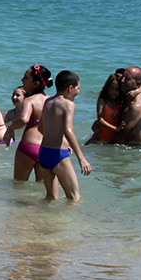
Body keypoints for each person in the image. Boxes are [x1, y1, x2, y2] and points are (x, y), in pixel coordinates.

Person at [37, 70, 93, 202]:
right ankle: (68, 223)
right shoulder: (68, 104)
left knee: (51, 197)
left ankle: (42, 221)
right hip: (58, 155)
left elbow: (40, 128)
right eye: (78, 88)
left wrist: (59, 142)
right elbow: (68, 131)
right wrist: (82, 158)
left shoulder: (48, 102)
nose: (79, 92)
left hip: (44, 153)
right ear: (70, 88)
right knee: (74, 198)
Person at [8, 64, 52, 180]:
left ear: (36, 84)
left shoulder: (30, 100)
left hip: (29, 146)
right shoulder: (51, 101)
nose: (22, 80)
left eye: (26, 77)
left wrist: (10, 129)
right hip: (46, 147)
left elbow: (23, 119)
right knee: (42, 186)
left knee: (19, 183)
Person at [115, 67, 141, 144]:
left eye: (127, 78)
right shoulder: (128, 94)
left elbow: (121, 137)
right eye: (123, 76)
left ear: (137, 84)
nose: (122, 80)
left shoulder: (135, 106)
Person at [87, 70, 125, 143]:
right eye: (112, 88)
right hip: (99, 137)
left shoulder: (120, 101)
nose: (114, 92)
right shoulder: (103, 101)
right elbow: (100, 120)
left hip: (112, 139)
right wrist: (116, 129)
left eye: (117, 89)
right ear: (107, 88)